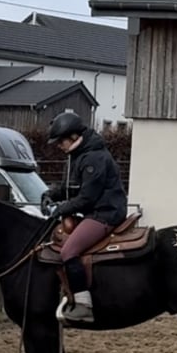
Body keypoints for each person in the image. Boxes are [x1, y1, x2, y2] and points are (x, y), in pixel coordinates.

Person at [41, 112, 128, 323]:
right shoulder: (77, 155)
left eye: (60, 141)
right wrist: (50, 193)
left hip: (106, 213)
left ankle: (83, 304)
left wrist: (59, 210)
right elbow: (70, 188)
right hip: (94, 211)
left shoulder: (94, 158)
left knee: (69, 250)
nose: (59, 146)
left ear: (72, 136)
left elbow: (87, 198)